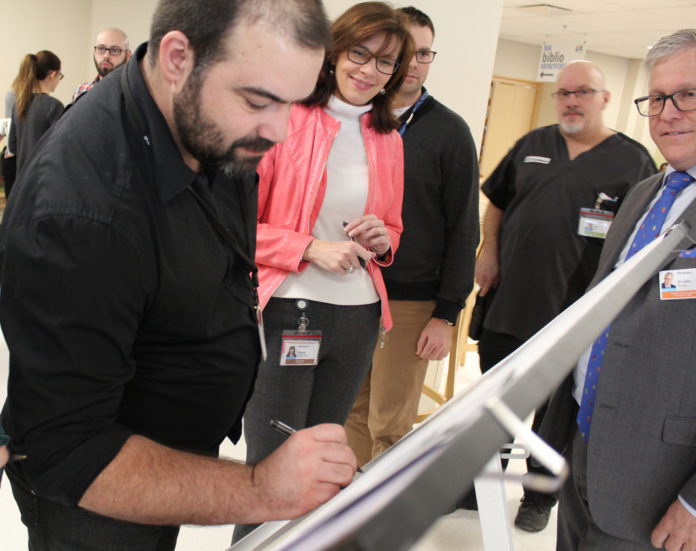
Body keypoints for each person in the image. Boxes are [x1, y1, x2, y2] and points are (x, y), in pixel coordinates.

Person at [0, 1, 355, 550]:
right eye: (259, 101)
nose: (279, 131)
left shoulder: (210, 127)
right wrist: (262, 488)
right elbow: (69, 450)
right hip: (99, 494)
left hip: (165, 453)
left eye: (293, 104)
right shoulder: (84, 209)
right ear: (177, 58)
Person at [233, 0, 412, 541]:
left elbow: (393, 232)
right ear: (334, 52)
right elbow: (236, 226)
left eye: (385, 63)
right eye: (360, 53)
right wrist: (309, 246)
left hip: (358, 317)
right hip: (289, 309)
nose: (369, 70)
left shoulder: (389, 140)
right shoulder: (280, 121)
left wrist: (383, 240)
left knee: (324, 466)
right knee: (271, 463)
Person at [470, 59, 657, 529]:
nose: (572, 100)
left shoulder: (633, 160)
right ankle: (478, 486)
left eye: (584, 92)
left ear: (605, 99)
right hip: (509, 303)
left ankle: (538, 498)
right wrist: (487, 252)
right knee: (496, 401)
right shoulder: (534, 144)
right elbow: (496, 203)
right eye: (565, 92)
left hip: (575, 315)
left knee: (553, 414)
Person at [548, 28, 696, 550]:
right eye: (657, 98)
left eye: (688, 95)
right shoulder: (644, 195)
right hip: (583, 448)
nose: (668, 112)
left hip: (659, 480)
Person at [344, 6, 479, 468]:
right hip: (351, 291)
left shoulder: (450, 132)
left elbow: (465, 227)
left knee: (389, 423)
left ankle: (379, 526)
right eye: (407, 53)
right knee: (348, 414)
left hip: (409, 301)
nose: (415, 63)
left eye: (425, 53)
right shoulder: (355, 119)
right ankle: (346, 520)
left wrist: (447, 314)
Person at [7, 50, 64, 175]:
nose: (59, 80)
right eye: (60, 76)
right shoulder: (54, 106)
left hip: (23, 181)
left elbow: (12, 146)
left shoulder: (18, 105)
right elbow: (61, 146)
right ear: (52, 75)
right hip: (44, 180)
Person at [72, 27, 131, 102]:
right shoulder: (81, 90)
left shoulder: (134, 92)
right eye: (101, 48)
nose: (106, 56)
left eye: (115, 50)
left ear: (128, 55)